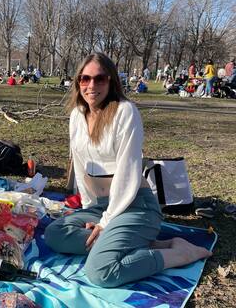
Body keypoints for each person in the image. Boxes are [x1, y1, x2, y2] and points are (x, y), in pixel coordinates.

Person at [44, 52, 211, 288]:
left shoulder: (124, 111)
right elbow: (81, 168)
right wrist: (91, 210)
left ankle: (181, 253)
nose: (91, 85)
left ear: (111, 81)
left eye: (100, 78)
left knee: (101, 272)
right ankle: (141, 245)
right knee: (55, 234)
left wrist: (106, 222)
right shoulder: (76, 116)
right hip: (102, 205)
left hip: (135, 206)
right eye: (85, 79)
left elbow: (128, 170)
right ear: (77, 82)